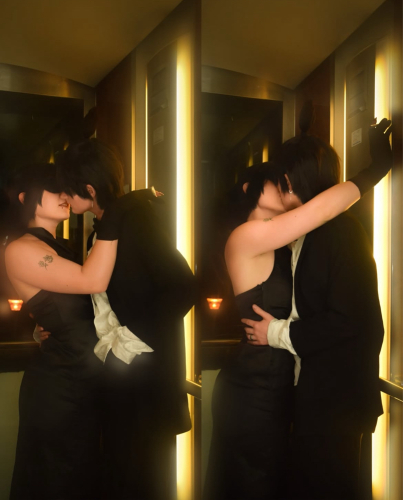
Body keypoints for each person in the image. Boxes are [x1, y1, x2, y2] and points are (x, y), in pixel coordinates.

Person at [204, 119, 392, 500]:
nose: (283, 184)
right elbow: (321, 209)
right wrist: (375, 169)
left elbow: (347, 317)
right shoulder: (247, 236)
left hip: (293, 393)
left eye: (285, 178)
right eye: (275, 180)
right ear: (249, 189)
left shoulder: (293, 240)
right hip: (254, 388)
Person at [53, 139, 196, 500]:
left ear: (89, 189)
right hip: (122, 379)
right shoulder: (106, 226)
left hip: (146, 380)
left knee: (146, 480)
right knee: (121, 477)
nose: (63, 197)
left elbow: (183, 287)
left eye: (67, 189)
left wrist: (125, 346)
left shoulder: (137, 219)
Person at [4, 162, 131, 500]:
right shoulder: (20, 248)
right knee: (58, 480)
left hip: (81, 379)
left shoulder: (58, 246)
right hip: (59, 387)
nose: (64, 194)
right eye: (53, 188)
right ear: (25, 198)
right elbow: (93, 281)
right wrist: (115, 210)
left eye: (65, 187)